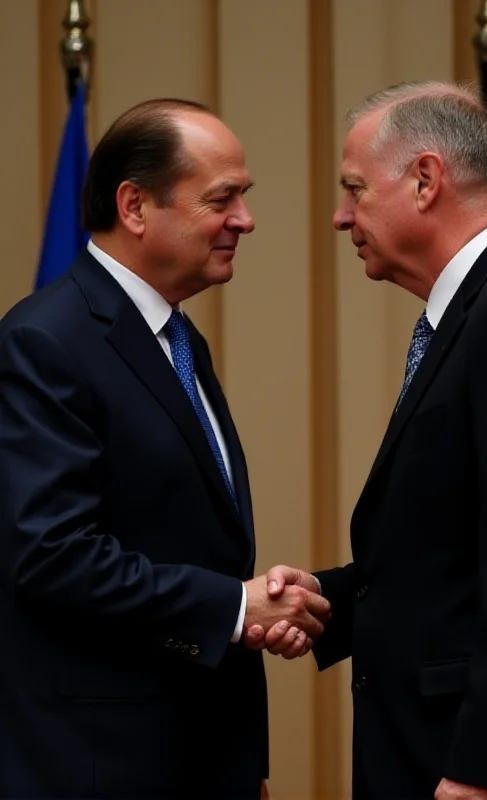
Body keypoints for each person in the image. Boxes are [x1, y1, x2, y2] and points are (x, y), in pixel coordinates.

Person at [252, 82, 487, 799]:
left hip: (472, 768)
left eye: (353, 190)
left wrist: (480, 766)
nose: (342, 217)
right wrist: (329, 600)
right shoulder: (475, 314)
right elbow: (458, 546)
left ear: (425, 180)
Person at [0, 98, 330, 800]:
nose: (245, 219)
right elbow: (52, 554)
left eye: (243, 196)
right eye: (223, 198)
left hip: (202, 756)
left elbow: (191, 540)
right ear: (135, 205)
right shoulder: (45, 341)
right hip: (100, 768)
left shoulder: (178, 341)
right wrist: (236, 608)